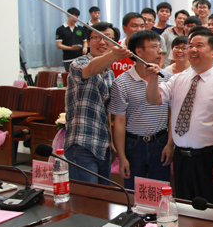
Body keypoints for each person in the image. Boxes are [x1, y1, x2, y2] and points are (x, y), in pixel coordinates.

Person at [145, 28, 213, 203]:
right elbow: (154, 99)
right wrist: (153, 78)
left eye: (199, 45)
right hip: (181, 157)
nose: (193, 49)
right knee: (184, 206)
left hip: (209, 157)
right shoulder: (178, 79)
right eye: (190, 45)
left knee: (211, 208)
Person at [64, 22, 132, 184]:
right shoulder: (78, 63)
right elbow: (90, 69)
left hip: (103, 145)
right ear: (88, 42)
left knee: (103, 196)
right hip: (81, 143)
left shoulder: (109, 73)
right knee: (87, 196)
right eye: (96, 37)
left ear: (115, 42)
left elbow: (107, 109)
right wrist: (114, 55)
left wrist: (110, 142)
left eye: (107, 38)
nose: (102, 42)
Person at [108, 30, 174, 189]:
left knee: (160, 191)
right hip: (133, 145)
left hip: (160, 142)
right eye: (154, 47)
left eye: (160, 47)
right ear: (138, 51)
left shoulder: (167, 77)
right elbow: (119, 121)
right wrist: (122, 157)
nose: (160, 51)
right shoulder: (121, 82)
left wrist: (170, 144)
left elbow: (172, 113)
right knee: (134, 191)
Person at [111, 12, 145, 77]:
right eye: (134, 26)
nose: (139, 30)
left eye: (142, 26)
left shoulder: (149, 50)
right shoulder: (114, 48)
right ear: (124, 28)